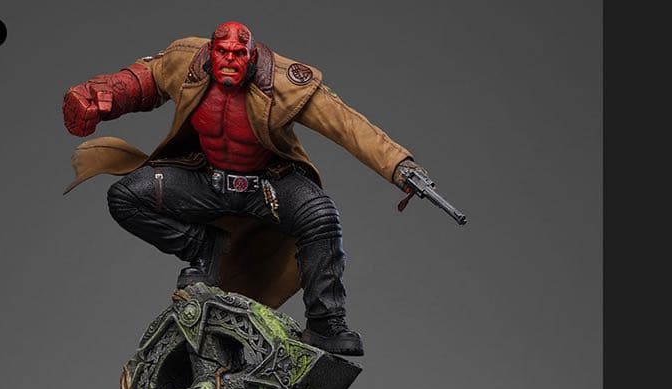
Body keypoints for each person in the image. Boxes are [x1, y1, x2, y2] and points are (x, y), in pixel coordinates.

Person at [62, 21, 427, 356]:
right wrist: (99, 94)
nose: (230, 61)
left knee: (321, 216)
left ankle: (326, 323)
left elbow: (347, 125)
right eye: (223, 52)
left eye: (239, 54)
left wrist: (399, 166)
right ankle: (204, 247)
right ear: (211, 51)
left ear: (252, 55)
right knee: (126, 197)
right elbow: (146, 80)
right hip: (205, 180)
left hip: (267, 186)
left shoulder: (286, 82)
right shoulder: (187, 60)